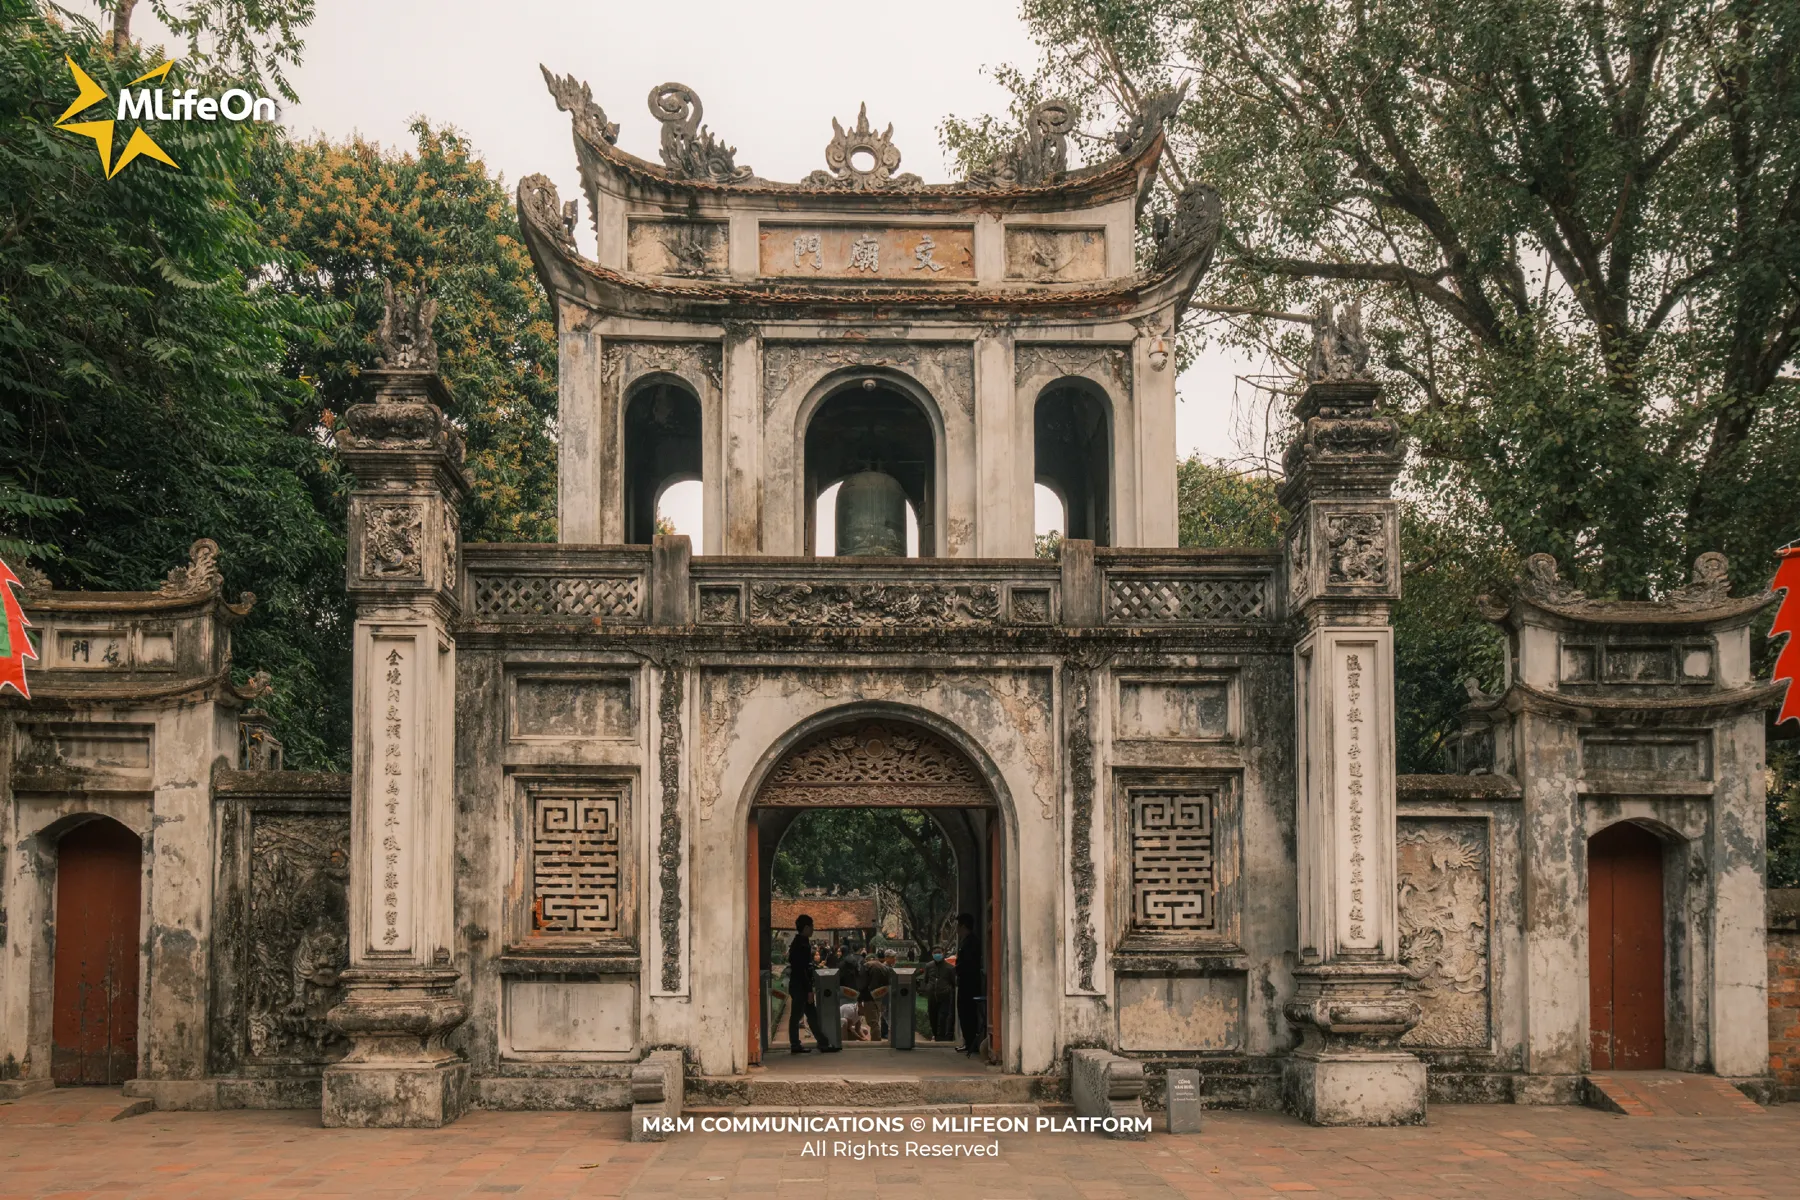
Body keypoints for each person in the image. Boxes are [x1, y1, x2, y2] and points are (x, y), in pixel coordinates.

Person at [786, 914, 832, 1054]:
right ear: (806, 928)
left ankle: (822, 1043)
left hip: (798, 984)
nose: (813, 929)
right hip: (800, 986)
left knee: (811, 1015)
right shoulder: (803, 945)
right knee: (797, 1015)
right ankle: (796, 1044)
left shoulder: (798, 942)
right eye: (812, 927)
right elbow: (802, 969)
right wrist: (809, 990)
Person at [953, 912, 985, 1056]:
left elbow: (968, 964)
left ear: (963, 926)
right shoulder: (966, 941)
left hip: (969, 983)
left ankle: (971, 1042)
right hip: (966, 982)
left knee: (968, 1013)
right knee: (964, 1012)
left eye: (958, 926)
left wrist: (958, 970)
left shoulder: (971, 942)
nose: (956, 929)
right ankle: (968, 1042)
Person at [922, 949, 956, 1042]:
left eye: (939, 953)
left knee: (943, 1017)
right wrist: (927, 988)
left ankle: (941, 1037)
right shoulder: (929, 966)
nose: (937, 955)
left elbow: (953, 982)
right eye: (935, 953)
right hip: (932, 995)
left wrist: (948, 990)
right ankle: (935, 1034)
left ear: (943, 954)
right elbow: (926, 979)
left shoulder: (949, 968)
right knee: (932, 1016)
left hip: (944, 996)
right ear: (932, 955)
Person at [859, 950, 890, 1041]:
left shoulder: (867, 966)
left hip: (869, 997)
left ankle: (876, 1041)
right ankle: (877, 1038)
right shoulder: (883, 967)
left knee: (872, 1022)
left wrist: (859, 1000)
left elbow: (862, 984)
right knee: (877, 1019)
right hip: (881, 996)